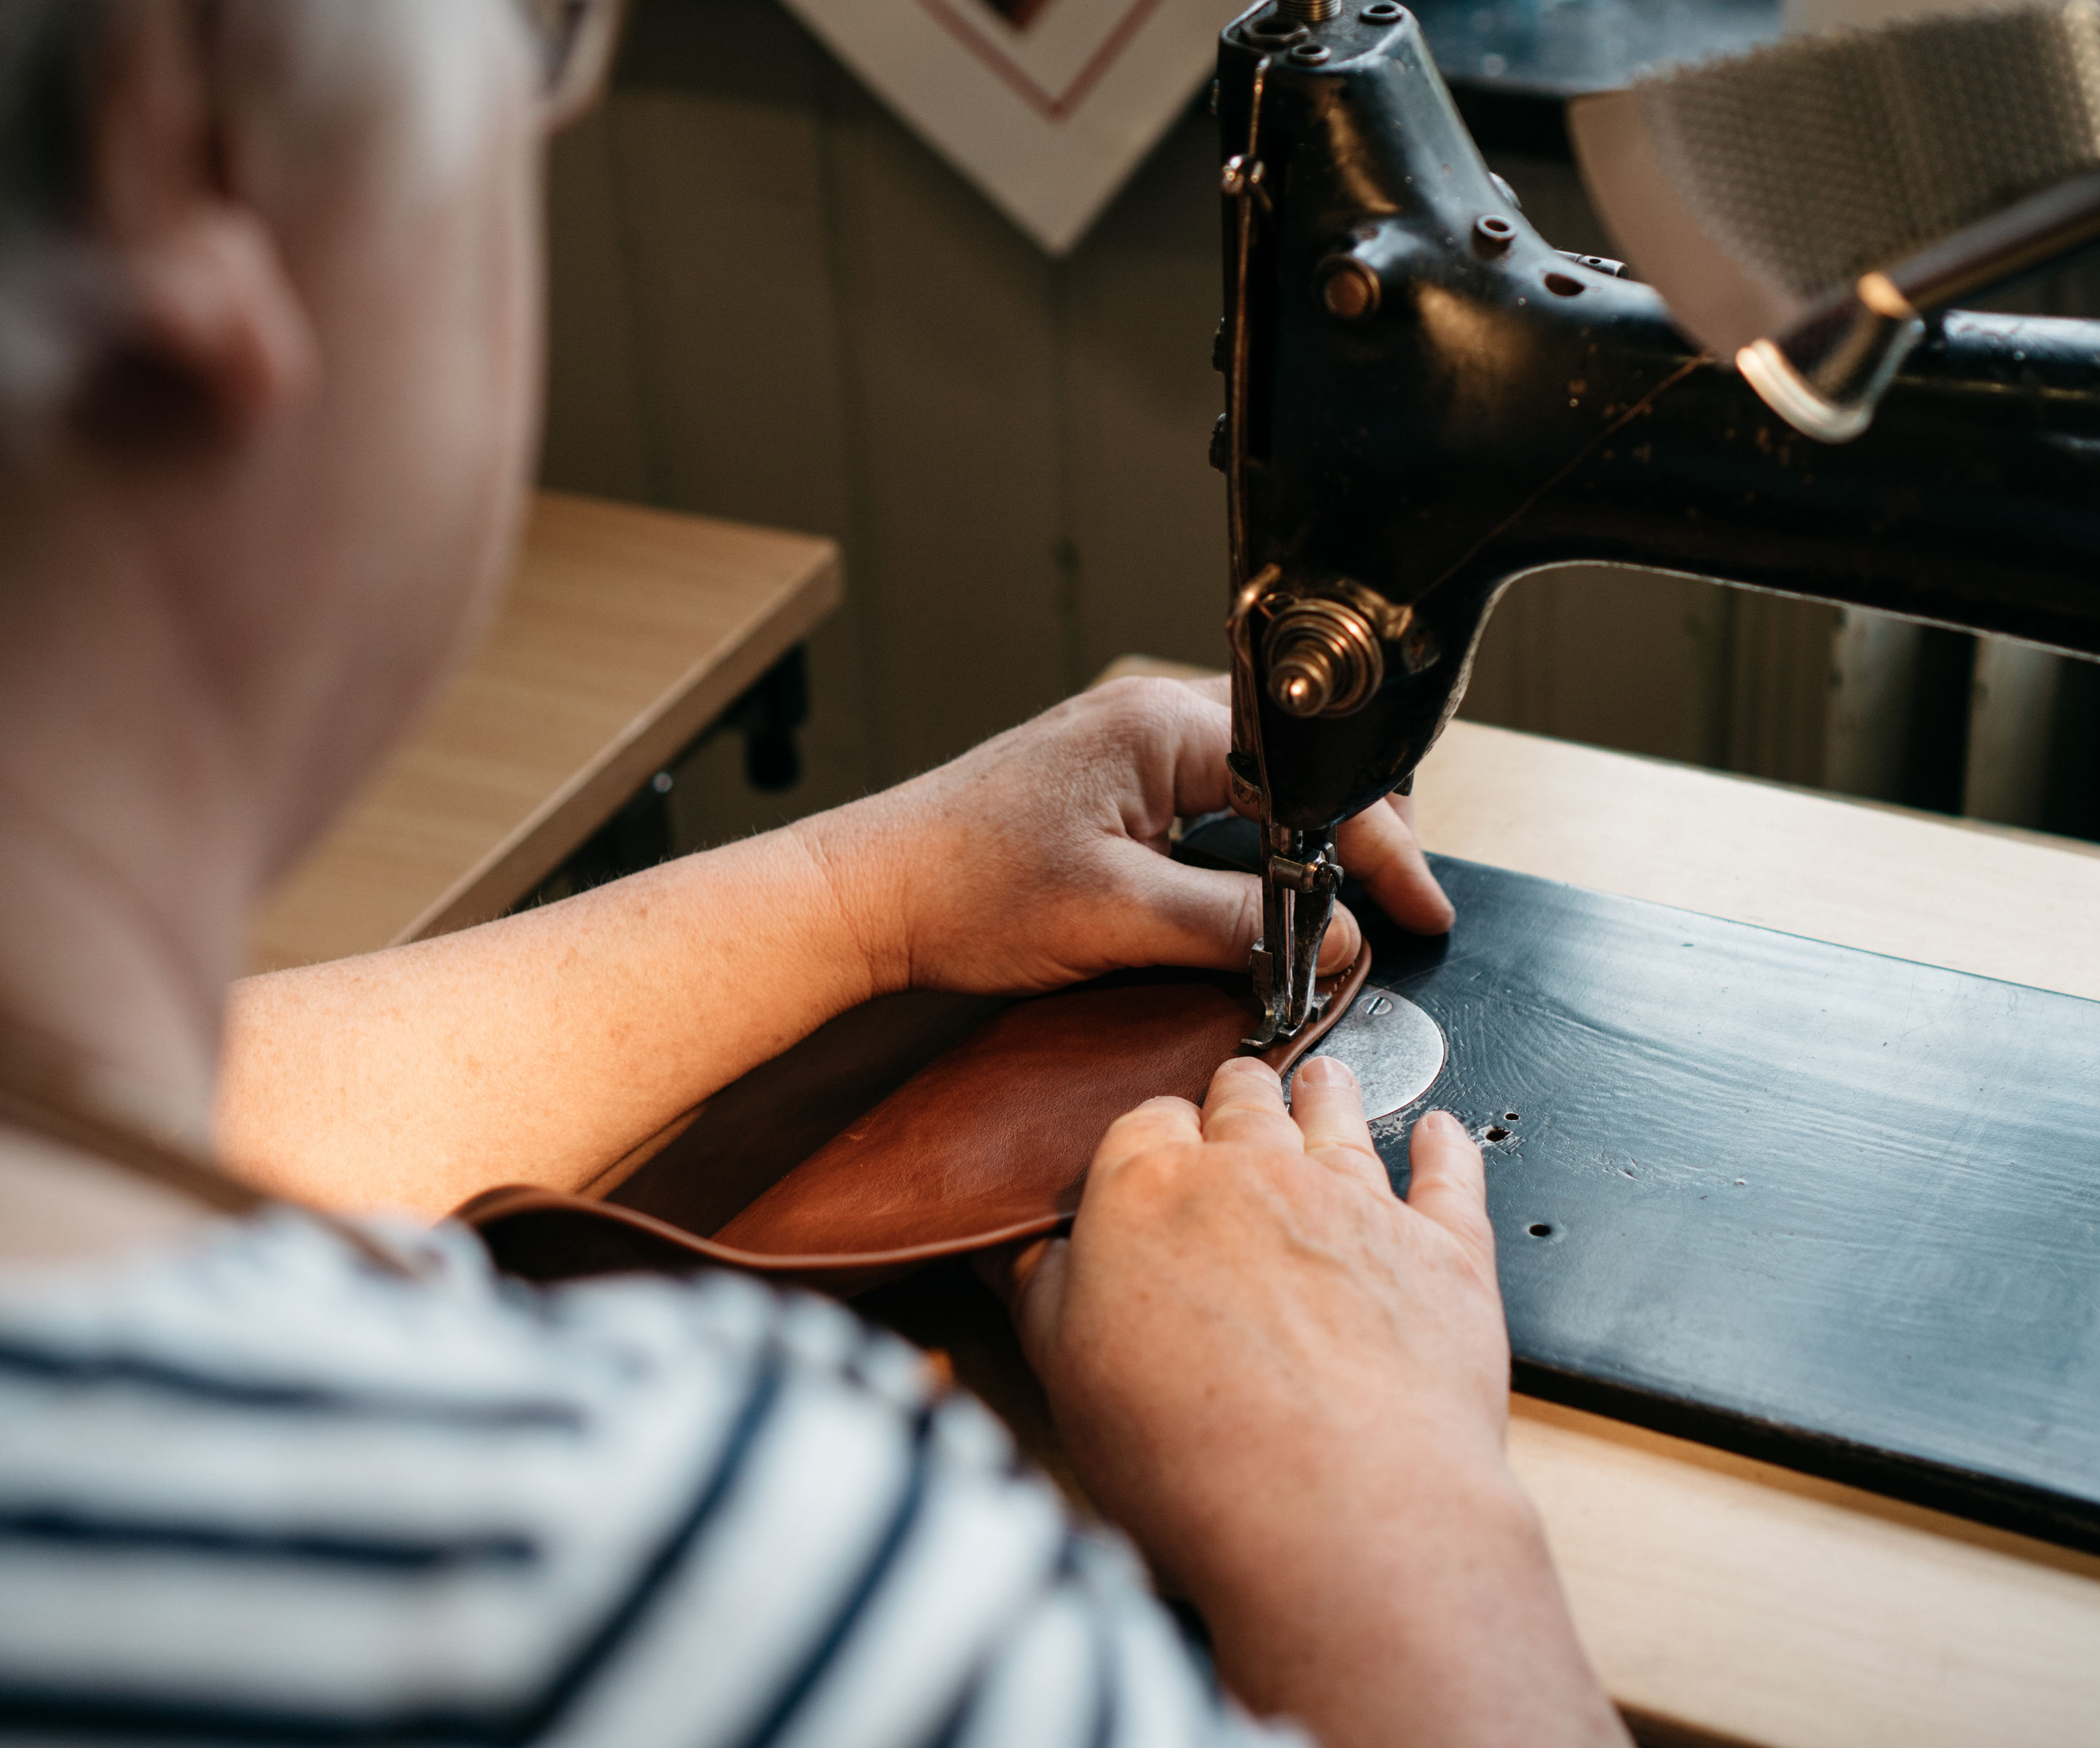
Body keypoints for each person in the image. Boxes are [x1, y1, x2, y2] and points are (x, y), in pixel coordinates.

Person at [0, 3, 1632, 1744]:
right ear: (176, 145)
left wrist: (871, 896)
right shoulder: (644, 1574)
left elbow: (186, 1125)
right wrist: (1396, 1523)